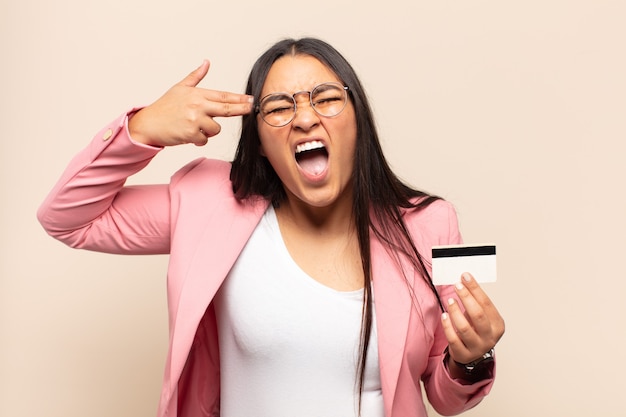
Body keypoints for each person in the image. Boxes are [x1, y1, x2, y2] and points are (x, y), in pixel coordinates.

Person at [37, 38, 505, 417]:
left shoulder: (433, 221)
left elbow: (446, 397)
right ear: (259, 143)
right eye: (279, 108)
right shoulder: (207, 202)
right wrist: (141, 129)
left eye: (326, 99)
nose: (304, 118)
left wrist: (473, 358)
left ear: (358, 120)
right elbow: (66, 217)